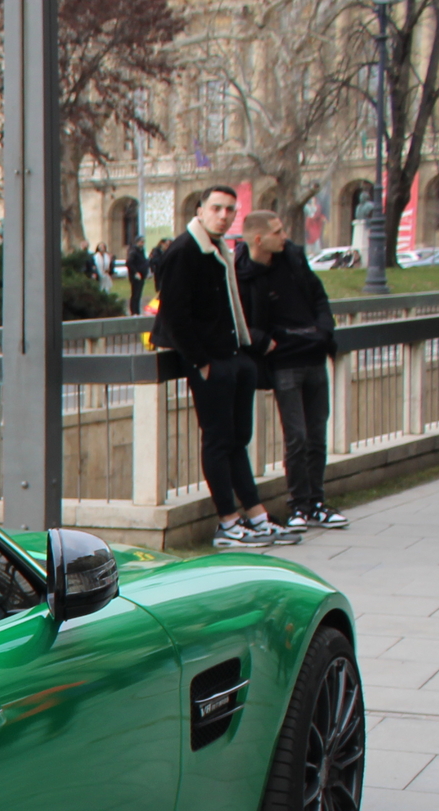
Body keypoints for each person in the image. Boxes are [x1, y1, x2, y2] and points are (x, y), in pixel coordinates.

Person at [155, 186, 298, 548]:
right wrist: (201, 362)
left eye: (230, 210)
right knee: (219, 441)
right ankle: (227, 522)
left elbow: (230, 306)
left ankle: (256, 516)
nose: (224, 215)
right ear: (200, 210)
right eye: (217, 208)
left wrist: (244, 350)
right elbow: (174, 314)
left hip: (233, 357)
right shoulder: (185, 250)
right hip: (210, 362)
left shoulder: (220, 250)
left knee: (237, 441)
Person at [241, 209, 350, 530]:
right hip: (284, 362)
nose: (284, 236)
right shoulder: (245, 272)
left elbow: (319, 297)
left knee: (317, 433)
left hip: (314, 356)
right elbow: (243, 321)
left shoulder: (294, 259)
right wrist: (266, 342)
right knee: (297, 437)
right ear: (259, 239)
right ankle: (298, 504)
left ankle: (316, 502)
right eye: (277, 232)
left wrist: (323, 331)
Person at [125, 236, 149, 314]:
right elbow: (129, 263)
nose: (143, 244)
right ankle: (134, 311)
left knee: (138, 294)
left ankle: (137, 311)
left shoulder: (141, 251)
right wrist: (135, 272)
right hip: (136, 276)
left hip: (142, 275)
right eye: (141, 242)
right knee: (135, 294)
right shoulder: (133, 251)